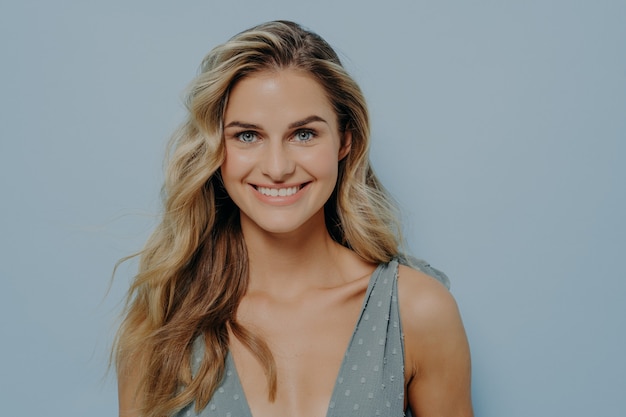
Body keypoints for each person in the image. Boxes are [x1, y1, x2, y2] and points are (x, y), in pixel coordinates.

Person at [115, 20, 473, 417]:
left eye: (303, 134)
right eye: (247, 135)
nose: (277, 167)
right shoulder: (164, 318)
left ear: (345, 141)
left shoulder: (416, 310)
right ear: (216, 149)